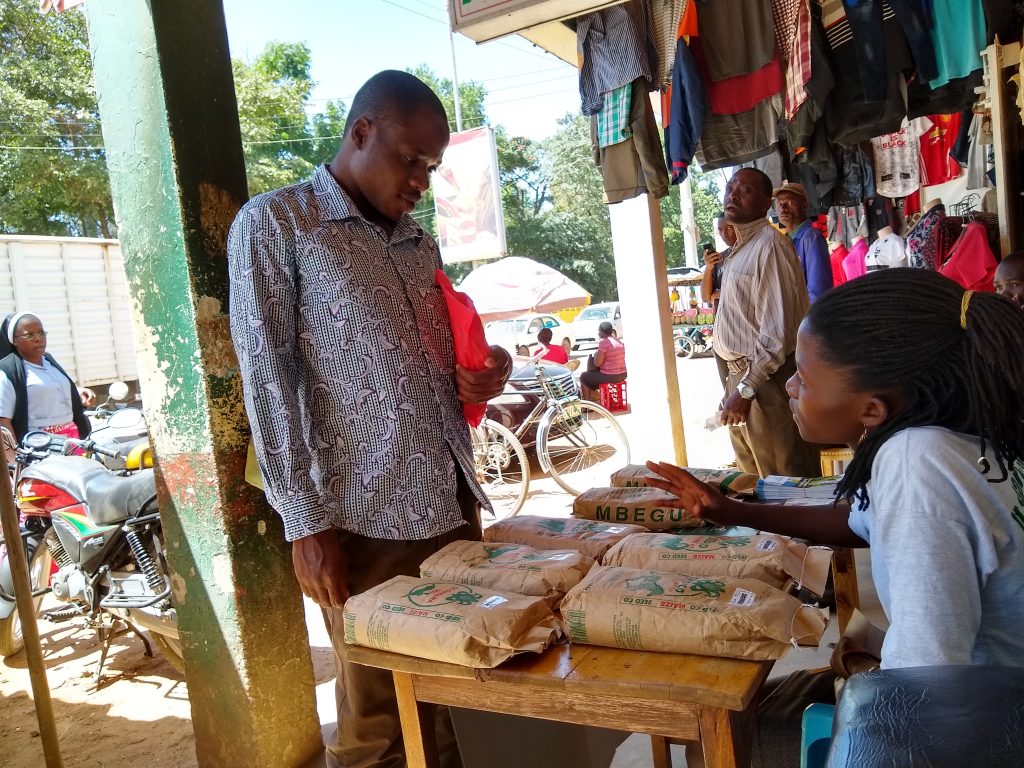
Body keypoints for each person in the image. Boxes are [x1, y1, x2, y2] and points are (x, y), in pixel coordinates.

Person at [227, 70, 512, 768]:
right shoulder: (279, 223)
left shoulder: (418, 243)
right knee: (379, 721)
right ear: (361, 132)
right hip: (361, 521)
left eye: (433, 166)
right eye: (411, 159)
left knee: (459, 699)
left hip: (448, 503)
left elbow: (434, 363)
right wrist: (305, 523)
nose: (421, 180)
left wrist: (484, 370)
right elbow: (268, 376)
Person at [646, 268, 1024, 670]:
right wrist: (732, 512)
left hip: (994, 712)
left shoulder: (916, 463)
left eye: (805, 380)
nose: (790, 387)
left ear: (873, 409)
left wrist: (870, 675)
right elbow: (860, 523)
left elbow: (927, 670)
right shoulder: (953, 435)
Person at [715, 168, 820, 478]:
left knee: (782, 485)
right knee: (751, 485)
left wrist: (746, 390)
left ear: (764, 204)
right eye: (731, 187)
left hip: (765, 385)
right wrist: (732, 387)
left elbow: (777, 334)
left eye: (744, 190)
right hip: (743, 382)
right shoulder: (739, 250)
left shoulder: (770, 246)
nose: (732, 194)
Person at [0, 312, 91, 443]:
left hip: (71, 439)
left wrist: (77, 391)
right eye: (29, 335)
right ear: (14, 340)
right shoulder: (8, 371)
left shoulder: (48, 360)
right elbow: (3, 423)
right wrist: (15, 459)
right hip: (40, 445)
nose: (38, 338)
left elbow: (48, 386)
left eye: (41, 333)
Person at [773, 182, 833, 302]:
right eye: (779, 204)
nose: (783, 208)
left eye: (789, 202)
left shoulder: (811, 238)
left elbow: (818, 294)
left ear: (804, 204)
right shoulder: (786, 240)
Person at [578, 321, 626, 402]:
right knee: (592, 375)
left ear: (602, 332)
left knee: (584, 377)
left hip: (611, 376)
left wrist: (596, 354)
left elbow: (597, 363)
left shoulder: (604, 343)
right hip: (622, 374)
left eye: (599, 331)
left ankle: (587, 406)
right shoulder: (618, 341)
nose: (598, 333)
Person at [700, 217, 738, 310]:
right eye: (720, 230)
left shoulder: (750, 253)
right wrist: (709, 267)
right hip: (723, 317)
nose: (724, 233)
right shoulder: (719, 258)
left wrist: (722, 293)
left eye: (729, 228)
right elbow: (705, 297)